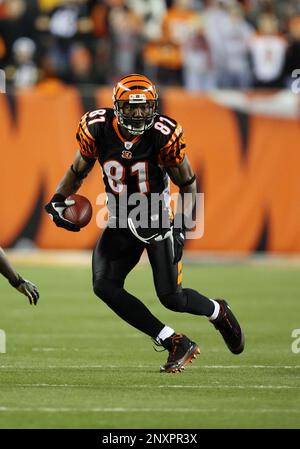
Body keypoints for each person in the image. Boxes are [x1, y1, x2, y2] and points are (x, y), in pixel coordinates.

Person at [45, 74, 244, 373]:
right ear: (116, 106)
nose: (138, 113)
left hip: (155, 217)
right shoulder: (97, 128)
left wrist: (181, 229)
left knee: (171, 298)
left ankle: (217, 311)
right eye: (130, 107)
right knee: (104, 285)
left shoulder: (163, 134)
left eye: (144, 107)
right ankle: (173, 341)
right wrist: (58, 200)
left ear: (153, 106)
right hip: (120, 216)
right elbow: (77, 169)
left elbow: (188, 184)